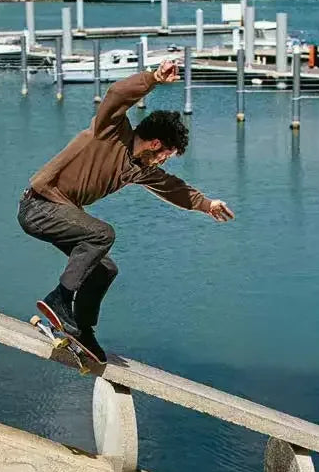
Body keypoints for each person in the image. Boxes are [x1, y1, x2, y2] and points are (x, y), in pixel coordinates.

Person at [17, 57, 234, 364]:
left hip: (58, 212)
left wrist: (206, 204)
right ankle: (60, 299)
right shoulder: (112, 130)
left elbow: (172, 187)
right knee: (102, 234)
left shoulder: (138, 168)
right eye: (165, 156)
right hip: (38, 204)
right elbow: (117, 95)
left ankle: (81, 329)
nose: (162, 163)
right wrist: (154, 77)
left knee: (105, 268)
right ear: (155, 144)